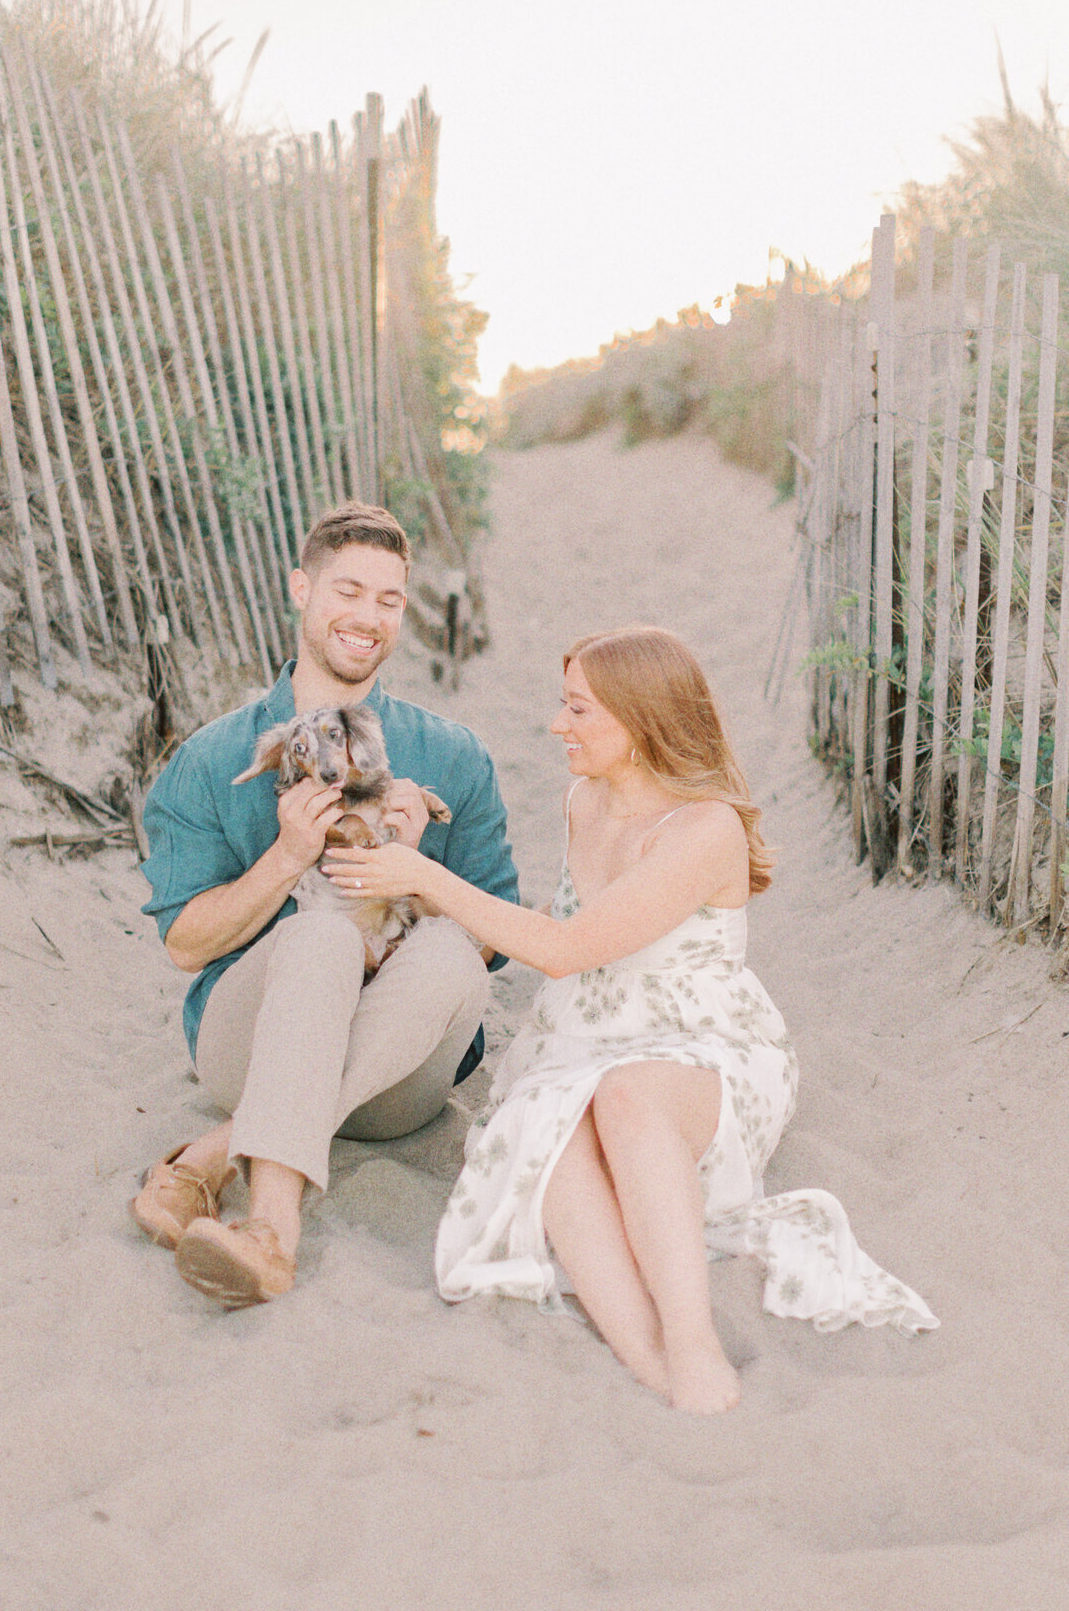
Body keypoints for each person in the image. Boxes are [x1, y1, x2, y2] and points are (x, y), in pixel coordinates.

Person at [325, 626, 938, 1414]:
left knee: (624, 1096)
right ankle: (645, 1353)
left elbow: (568, 947)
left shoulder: (703, 827)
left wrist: (429, 877)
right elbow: (571, 913)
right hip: (581, 1031)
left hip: (701, 1042)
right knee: (549, 1128)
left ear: (640, 718)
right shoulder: (587, 797)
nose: (558, 726)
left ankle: (692, 1340)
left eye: (578, 709)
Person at [135, 502, 518, 1308]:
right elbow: (185, 946)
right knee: (320, 941)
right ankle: (273, 1233)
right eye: (348, 591)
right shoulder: (211, 759)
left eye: (389, 600)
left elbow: (494, 941)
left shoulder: (454, 754)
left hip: (399, 1078)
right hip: (255, 1051)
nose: (367, 617)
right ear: (302, 589)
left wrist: (415, 874)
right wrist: (287, 859)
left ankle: (212, 1155)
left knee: (449, 949)